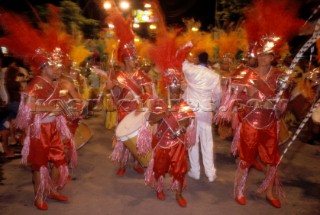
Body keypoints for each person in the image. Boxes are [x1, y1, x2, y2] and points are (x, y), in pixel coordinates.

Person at [216, 36, 289, 208]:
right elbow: (234, 98)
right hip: (250, 122)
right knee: (245, 159)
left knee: (273, 161)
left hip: (270, 122)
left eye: (268, 55)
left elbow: (284, 101)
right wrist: (250, 101)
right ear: (257, 56)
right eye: (261, 55)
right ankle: (239, 190)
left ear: (273, 57)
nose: (264, 58)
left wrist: (278, 104)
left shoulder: (279, 76)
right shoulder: (246, 74)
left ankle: (269, 192)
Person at [182, 51, 221, 182]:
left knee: (192, 142)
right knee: (207, 142)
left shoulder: (191, 71)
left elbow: (182, 61)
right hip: (205, 112)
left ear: (198, 59)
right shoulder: (214, 76)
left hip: (191, 112)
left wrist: (186, 49)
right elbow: (217, 96)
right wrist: (214, 108)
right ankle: (210, 173)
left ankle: (195, 171)